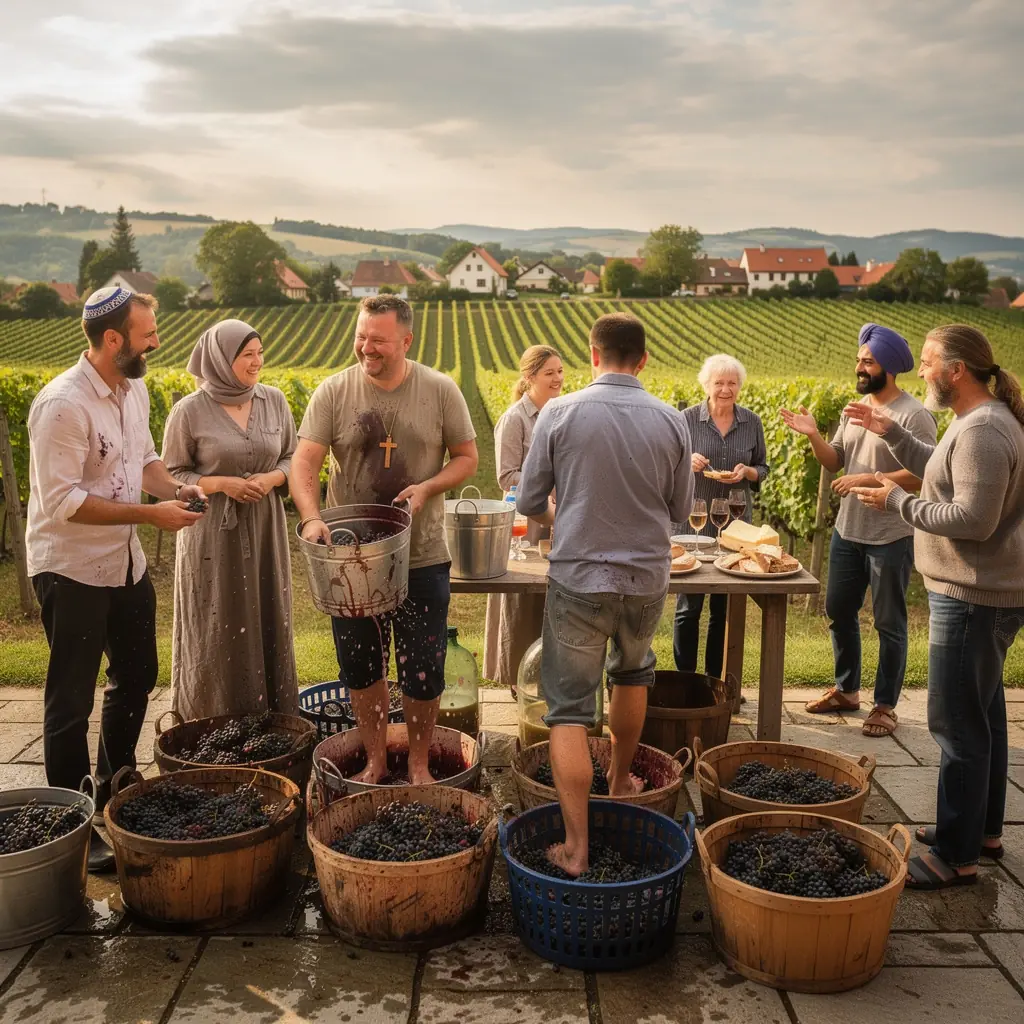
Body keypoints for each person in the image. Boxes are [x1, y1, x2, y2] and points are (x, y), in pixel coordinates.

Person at [25, 287, 205, 872]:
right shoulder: (63, 405)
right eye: (147, 333)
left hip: (122, 560)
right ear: (112, 340)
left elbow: (143, 462)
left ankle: (111, 790)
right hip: (70, 566)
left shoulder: (133, 388)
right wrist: (152, 516)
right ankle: (72, 826)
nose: (156, 341)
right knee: (70, 697)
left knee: (137, 674)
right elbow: (63, 503)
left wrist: (174, 491)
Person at [847, 324, 1023, 890]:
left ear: (956, 371)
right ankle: (982, 833)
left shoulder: (985, 431)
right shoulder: (976, 422)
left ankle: (955, 855)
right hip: (978, 592)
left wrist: (899, 501)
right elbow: (940, 468)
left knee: (955, 725)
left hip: (972, 595)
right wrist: (889, 432)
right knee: (985, 715)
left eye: (927, 362)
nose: (920, 371)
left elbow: (974, 520)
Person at [517, 312, 693, 876]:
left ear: (593, 355)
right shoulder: (672, 420)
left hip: (578, 579)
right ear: (642, 359)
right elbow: (679, 512)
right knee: (634, 672)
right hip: (647, 579)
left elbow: (526, 502)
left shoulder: (558, 413)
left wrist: (567, 511)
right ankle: (619, 783)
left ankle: (575, 848)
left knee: (568, 709)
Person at [290, 295, 478, 785]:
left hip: (422, 555)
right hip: (351, 560)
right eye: (360, 336)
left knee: (422, 666)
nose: (365, 348)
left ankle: (417, 764)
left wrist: (428, 487)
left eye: (378, 340)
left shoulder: (439, 390)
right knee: (360, 665)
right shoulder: (333, 392)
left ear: (406, 340)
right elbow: (304, 465)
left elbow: (466, 457)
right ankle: (375, 759)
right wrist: (312, 518)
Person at [781, 324, 936, 737]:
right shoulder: (855, 407)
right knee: (838, 610)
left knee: (889, 621)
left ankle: (884, 705)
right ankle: (848, 690)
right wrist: (814, 435)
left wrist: (867, 479)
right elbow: (836, 461)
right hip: (848, 530)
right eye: (858, 360)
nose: (860, 367)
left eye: (868, 361)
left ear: (889, 366)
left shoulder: (913, 414)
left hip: (891, 535)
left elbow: (923, 474)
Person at [161, 319, 299, 720]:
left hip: (265, 526)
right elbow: (171, 474)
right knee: (216, 619)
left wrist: (272, 478)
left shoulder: (274, 401)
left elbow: (292, 456)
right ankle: (211, 716)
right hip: (210, 532)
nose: (257, 362)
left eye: (260, 352)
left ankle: (274, 717)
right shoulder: (188, 411)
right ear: (220, 360)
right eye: (247, 355)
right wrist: (223, 484)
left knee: (267, 609)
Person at [675, 354, 767, 680]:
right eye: (719, 382)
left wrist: (748, 472)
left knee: (722, 609)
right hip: (694, 522)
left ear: (739, 387)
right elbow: (667, 463)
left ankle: (715, 682)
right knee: (688, 609)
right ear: (706, 385)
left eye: (732, 383)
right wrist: (686, 463)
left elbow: (763, 467)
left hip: (735, 526)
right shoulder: (685, 420)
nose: (725, 389)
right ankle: (686, 681)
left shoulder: (751, 422)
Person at [483, 345, 563, 687]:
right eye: (549, 373)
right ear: (529, 378)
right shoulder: (514, 419)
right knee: (521, 599)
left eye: (560, 371)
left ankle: (548, 676)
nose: (558, 379)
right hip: (525, 518)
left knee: (553, 595)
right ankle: (517, 678)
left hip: (560, 513)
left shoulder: (562, 412)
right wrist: (545, 485)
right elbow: (506, 476)